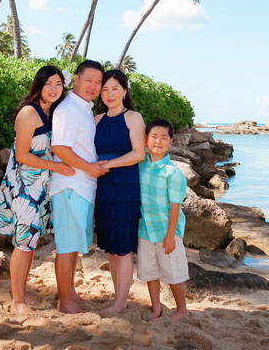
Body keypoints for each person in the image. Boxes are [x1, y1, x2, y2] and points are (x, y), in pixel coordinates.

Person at [0, 65, 76, 315]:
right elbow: (22, 155)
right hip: (23, 185)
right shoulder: (29, 113)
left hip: (42, 186)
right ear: (39, 85)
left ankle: (23, 295)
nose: (54, 89)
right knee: (23, 242)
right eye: (48, 83)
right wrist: (56, 167)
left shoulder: (55, 113)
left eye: (59, 84)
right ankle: (17, 301)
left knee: (31, 240)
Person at [50, 59, 108, 314]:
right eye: (89, 80)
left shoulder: (84, 108)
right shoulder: (69, 108)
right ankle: (64, 302)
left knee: (73, 246)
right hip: (70, 185)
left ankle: (70, 292)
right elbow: (59, 148)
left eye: (98, 82)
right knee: (66, 246)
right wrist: (90, 167)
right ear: (76, 79)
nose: (93, 86)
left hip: (83, 186)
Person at [93, 70, 145, 315]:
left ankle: (121, 303)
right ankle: (117, 298)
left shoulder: (133, 118)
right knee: (112, 246)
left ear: (124, 91)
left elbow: (139, 153)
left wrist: (109, 164)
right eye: (105, 89)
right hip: (102, 186)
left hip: (124, 186)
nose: (109, 94)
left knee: (122, 247)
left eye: (114, 88)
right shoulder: (96, 120)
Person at [137, 118, 189, 321]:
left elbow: (175, 206)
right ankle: (156, 308)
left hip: (167, 230)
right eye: (153, 137)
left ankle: (182, 309)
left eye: (163, 138)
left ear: (171, 142)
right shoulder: (141, 165)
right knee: (150, 271)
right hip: (145, 229)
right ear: (146, 139)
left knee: (173, 271)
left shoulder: (173, 173)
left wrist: (170, 235)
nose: (157, 142)